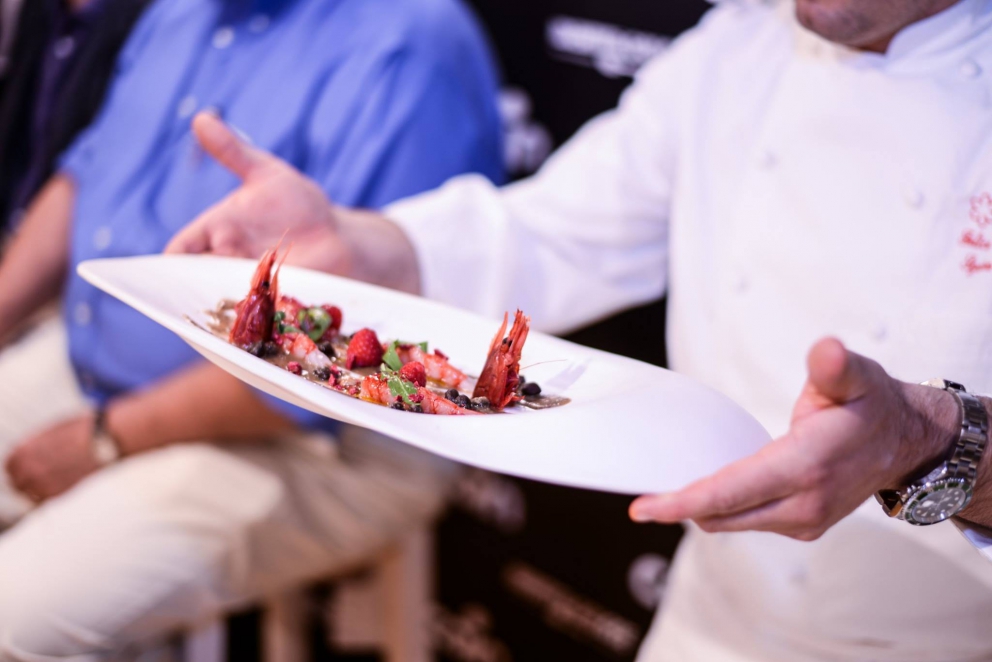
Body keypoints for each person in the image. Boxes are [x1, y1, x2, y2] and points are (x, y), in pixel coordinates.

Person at [167, 0, 992, 659]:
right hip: (711, 622)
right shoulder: (735, 49)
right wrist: (357, 245)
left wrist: (926, 441)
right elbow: (549, 232)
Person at [0, 0, 503, 657]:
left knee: (12, 618)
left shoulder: (407, 43)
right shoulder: (177, 12)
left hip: (312, 433)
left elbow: (343, 366)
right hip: (103, 362)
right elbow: (85, 174)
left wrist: (105, 440)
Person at [0, 0, 153, 234]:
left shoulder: (145, 18)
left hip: (64, 243)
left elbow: (85, 169)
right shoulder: (40, 11)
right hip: (18, 227)